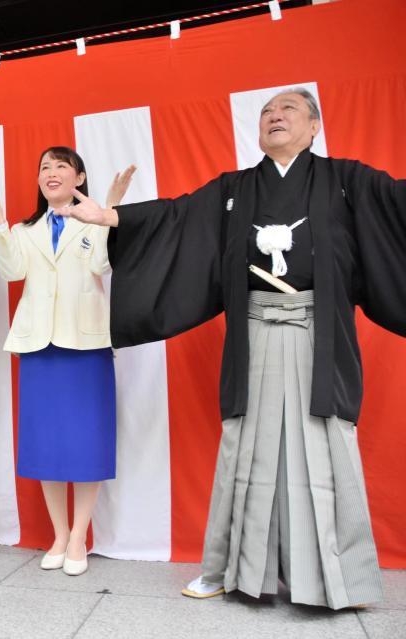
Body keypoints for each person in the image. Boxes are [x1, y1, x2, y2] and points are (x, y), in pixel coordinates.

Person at [59, 88, 405, 609]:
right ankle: (230, 568)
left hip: (320, 336)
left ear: (314, 127)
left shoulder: (347, 181)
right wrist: (112, 219)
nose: (275, 117)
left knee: (325, 449)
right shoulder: (235, 189)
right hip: (257, 333)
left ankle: (340, 577)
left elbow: (397, 205)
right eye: (267, 112)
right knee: (247, 451)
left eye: (288, 110)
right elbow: (180, 219)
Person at [0, 147, 133, 576]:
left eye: (61, 165)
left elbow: (102, 262)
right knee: (46, 442)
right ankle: (59, 534)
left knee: (87, 441)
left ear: (79, 176)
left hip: (87, 341)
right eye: (44, 166)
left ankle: (80, 534)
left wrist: (109, 211)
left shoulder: (93, 218)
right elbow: (11, 271)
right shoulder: (27, 229)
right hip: (39, 344)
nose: (51, 172)